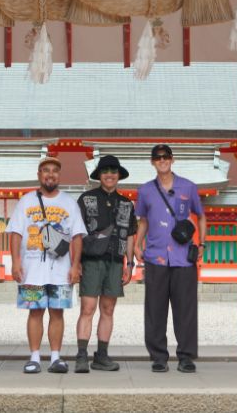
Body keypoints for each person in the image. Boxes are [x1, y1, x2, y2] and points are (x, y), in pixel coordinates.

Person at [8, 156, 87, 374]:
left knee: (57, 312)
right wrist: (15, 262)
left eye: (54, 171)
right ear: (39, 175)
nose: (50, 174)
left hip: (61, 269)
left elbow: (77, 236)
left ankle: (55, 357)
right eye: (45, 170)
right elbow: (15, 233)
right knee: (34, 312)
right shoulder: (26, 201)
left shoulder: (68, 203)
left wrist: (75, 266)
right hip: (31, 268)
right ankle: (34, 357)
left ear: (59, 175)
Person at [134, 144, 206, 373]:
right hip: (156, 255)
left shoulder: (189, 187)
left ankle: (185, 356)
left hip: (183, 256)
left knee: (185, 309)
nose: (162, 161)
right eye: (158, 158)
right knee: (155, 309)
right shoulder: (145, 190)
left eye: (166, 157)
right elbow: (143, 220)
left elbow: (201, 216)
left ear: (172, 160)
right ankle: (158, 357)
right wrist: (137, 243)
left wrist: (202, 242)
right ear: (152, 162)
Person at [74, 155, 136, 374]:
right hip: (90, 261)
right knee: (88, 308)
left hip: (115, 261)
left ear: (119, 175)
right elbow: (77, 233)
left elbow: (130, 236)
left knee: (108, 309)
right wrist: (76, 262)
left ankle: (102, 355)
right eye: (105, 171)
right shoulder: (86, 199)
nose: (109, 174)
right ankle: (81, 355)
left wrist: (130, 265)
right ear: (99, 175)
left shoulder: (127, 204)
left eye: (113, 171)